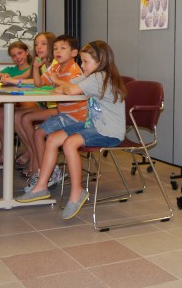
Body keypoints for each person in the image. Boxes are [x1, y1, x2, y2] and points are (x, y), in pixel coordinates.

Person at [15, 40, 126, 221]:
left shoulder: (100, 77)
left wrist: (68, 87)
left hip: (109, 131)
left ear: (101, 61)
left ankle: (77, 192)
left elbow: (71, 89)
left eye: (86, 62)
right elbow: (66, 85)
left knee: (69, 143)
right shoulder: (93, 75)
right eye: (81, 61)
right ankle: (41, 185)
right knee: (52, 139)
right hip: (95, 125)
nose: (82, 66)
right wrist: (68, 86)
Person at [4, 34, 87, 189]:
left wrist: (56, 81)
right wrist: (35, 68)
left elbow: (72, 90)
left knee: (39, 133)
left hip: (76, 116)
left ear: (74, 53)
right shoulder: (55, 67)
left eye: (63, 48)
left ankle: (47, 173)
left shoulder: (75, 70)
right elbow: (38, 83)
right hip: (64, 113)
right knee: (38, 133)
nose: (58, 51)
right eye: (55, 48)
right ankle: (47, 171)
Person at [0, 32, 56, 176]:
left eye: (43, 44)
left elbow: (38, 82)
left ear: (51, 45)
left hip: (58, 108)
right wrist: (11, 78)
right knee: (16, 116)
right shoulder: (42, 63)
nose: (38, 47)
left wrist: (14, 81)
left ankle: (36, 161)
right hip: (47, 105)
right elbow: (32, 79)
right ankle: (32, 153)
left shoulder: (55, 65)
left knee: (24, 117)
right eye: (36, 44)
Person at [0, 41, 33, 163]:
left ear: (27, 52)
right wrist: (3, 74)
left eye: (20, 53)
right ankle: (6, 147)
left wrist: (12, 79)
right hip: (13, 103)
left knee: (17, 113)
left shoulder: (34, 68)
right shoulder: (11, 70)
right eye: (14, 55)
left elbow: (32, 78)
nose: (17, 57)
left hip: (30, 102)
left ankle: (30, 150)